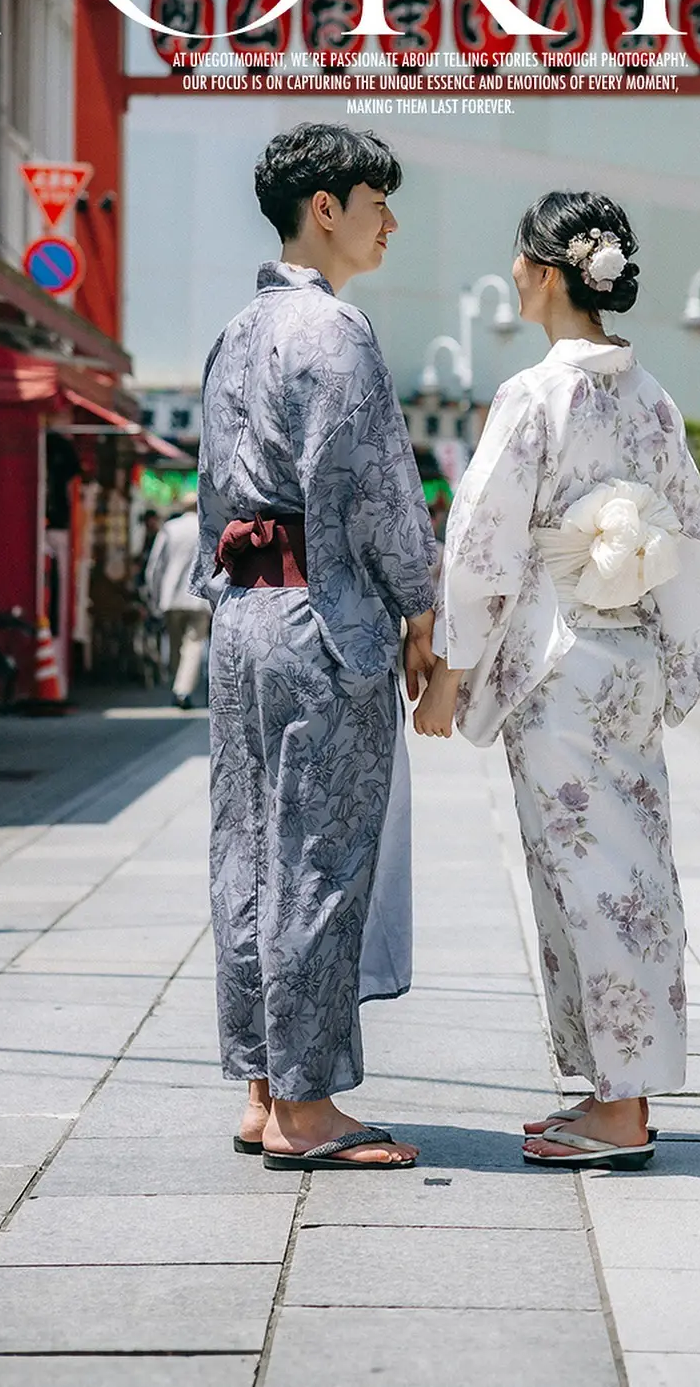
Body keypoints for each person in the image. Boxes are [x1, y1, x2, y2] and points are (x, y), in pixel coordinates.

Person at [415, 191, 700, 1170]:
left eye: (519, 262)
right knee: (634, 873)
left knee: (581, 875)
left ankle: (618, 1109)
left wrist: (449, 671)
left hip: (561, 665)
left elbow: (482, 542)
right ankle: (619, 1091)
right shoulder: (649, 395)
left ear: (547, 272)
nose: (513, 277)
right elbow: (689, 531)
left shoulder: (535, 395)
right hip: (630, 661)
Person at [191, 124, 438, 1172]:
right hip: (318, 620)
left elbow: (211, 490)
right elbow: (373, 487)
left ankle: (262, 1086)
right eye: (378, 199)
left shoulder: (239, 331)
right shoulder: (339, 334)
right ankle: (307, 1107)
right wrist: (421, 605)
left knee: (248, 848)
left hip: (243, 617)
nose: (391, 221)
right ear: (326, 206)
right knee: (321, 854)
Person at [144, 496, 212, 707]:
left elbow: (155, 565)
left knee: (174, 643)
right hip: (199, 598)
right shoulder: (206, 527)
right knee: (193, 644)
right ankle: (182, 689)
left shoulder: (170, 528)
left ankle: (178, 685)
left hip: (171, 596)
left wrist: (153, 596)